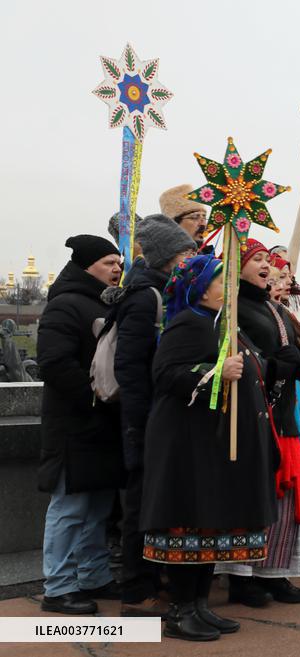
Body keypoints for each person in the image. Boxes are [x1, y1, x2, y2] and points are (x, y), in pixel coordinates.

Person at [140, 255, 276, 641]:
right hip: (188, 445)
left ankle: (199, 605)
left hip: (212, 444)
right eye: (221, 281)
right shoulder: (187, 322)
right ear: (199, 287)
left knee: (209, 529)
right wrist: (217, 373)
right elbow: (165, 375)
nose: (229, 288)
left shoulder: (223, 325)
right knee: (191, 525)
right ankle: (182, 609)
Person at [216, 240, 300, 606]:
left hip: (285, 414)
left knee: (284, 502)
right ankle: (243, 578)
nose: (264, 265)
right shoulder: (232, 307)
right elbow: (242, 359)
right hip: (256, 415)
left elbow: (291, 348)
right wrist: (275, 366)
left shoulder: (273, 306)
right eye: (255, 259)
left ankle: (276, 571)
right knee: (256, 495)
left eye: (265, 260)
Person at [111, 215, 196, 616]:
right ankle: (135, 592)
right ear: (164, 257)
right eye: (184, 252)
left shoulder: (166, 291)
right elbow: (130, 366)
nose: (190, 258)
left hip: (159, 416)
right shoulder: (146, 297)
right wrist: (140, 421)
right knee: (140, 504)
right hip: (143, 418)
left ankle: (154, 580)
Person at [37, 236, 124, 615]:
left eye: (118, 262)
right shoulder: (65, 304)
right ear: (88, 265)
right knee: (70, 507)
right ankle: (58, 587)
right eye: (109, 263)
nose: (117, 269)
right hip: (75, 423)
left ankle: (93, 575)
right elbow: (54, 364)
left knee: (99, 506)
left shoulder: (106, 302)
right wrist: (95, 396)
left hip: (103, 423)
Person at [159, 184, 210, 251]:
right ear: (174, 224)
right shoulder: (155, 260)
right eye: (195, 217)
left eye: (204, 217)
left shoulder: (213, 259)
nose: (203, 224)